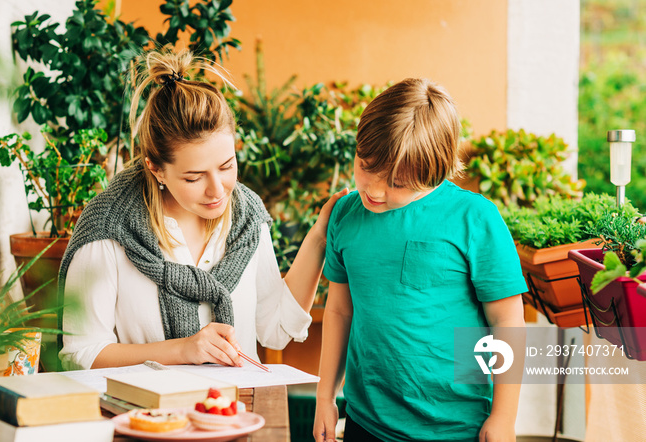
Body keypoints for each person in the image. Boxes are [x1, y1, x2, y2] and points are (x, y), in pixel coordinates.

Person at [57, 48, 347, 371]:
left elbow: (274, 330)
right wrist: (183, 350)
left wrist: (320, 236)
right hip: (146, 419)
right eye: (194, 177)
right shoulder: (107, 229)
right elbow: (80, 354)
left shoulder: (247, 216)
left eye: (227, 166)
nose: (218, 189)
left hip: (236, 417)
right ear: (156, 168)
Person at [313, 78, 527, 442]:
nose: (375, 190)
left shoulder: (475, 219)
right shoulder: (345, 216)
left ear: (435, 174)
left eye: (397, 183)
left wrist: (504, 416)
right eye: (366, 166)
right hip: (367, 422)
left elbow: (507, 320)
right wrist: (324, 395)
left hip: (457, 427)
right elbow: (339, 311)